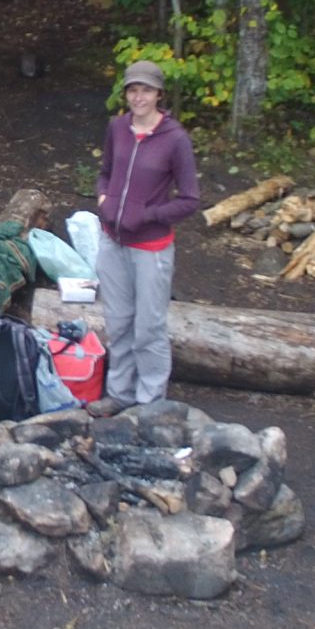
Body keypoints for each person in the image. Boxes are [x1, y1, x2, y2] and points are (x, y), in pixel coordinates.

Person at [92, 58, 201, 408]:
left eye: (146, 90)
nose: (139, 97)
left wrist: (147, 215)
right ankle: (120, 394)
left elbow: (190, 200)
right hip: (112, 242)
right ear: (126, 93)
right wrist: (104, 200)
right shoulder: (117, 128)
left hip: (151, 248)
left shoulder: (175, 139)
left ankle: (150, 404)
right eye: (133, 90)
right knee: (118, 323)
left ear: (158, 95)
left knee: (149, 328)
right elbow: (105, 172)